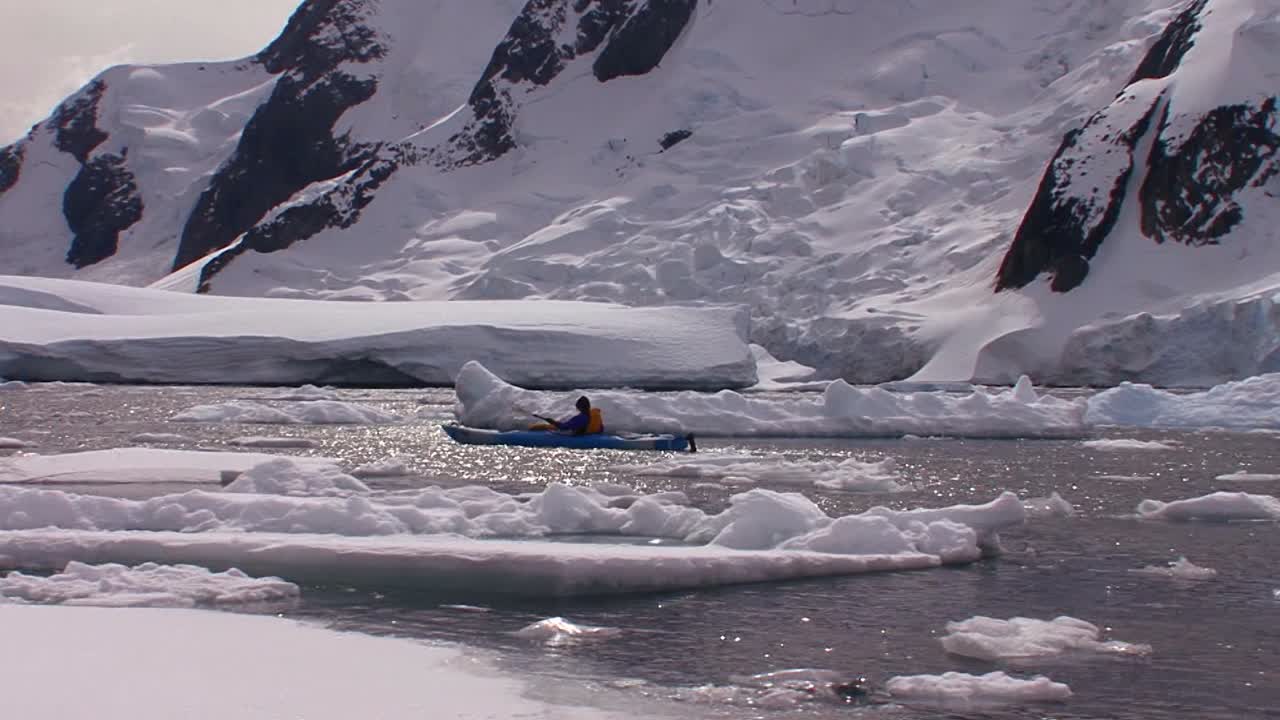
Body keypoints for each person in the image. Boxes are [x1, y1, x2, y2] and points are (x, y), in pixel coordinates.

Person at [534, 396, 604, 435]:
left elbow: (564, 427)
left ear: (580, 407)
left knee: (543, 427)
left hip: (580, 436)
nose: (577, 409)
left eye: (578, 407)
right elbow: (601, 428)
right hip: (591, 435)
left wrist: (552, 422)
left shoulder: (581, 418)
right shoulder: (593, 414)